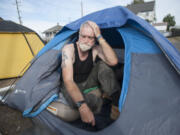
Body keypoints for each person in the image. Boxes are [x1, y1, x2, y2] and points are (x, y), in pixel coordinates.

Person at [47, 21, 120, 127]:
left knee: (102, 66)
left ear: (95, 39)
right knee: (75, 110)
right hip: (71, 85)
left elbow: (113, 61)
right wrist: (82, 106)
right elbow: (68, 80)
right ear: (79, 35)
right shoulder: (69, 49)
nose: (86, 41)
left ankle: (115, 104)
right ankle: (98, 103)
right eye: (83, 36)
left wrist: (100, 36)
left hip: (87, 82)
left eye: (91, 38)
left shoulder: (95, 49)